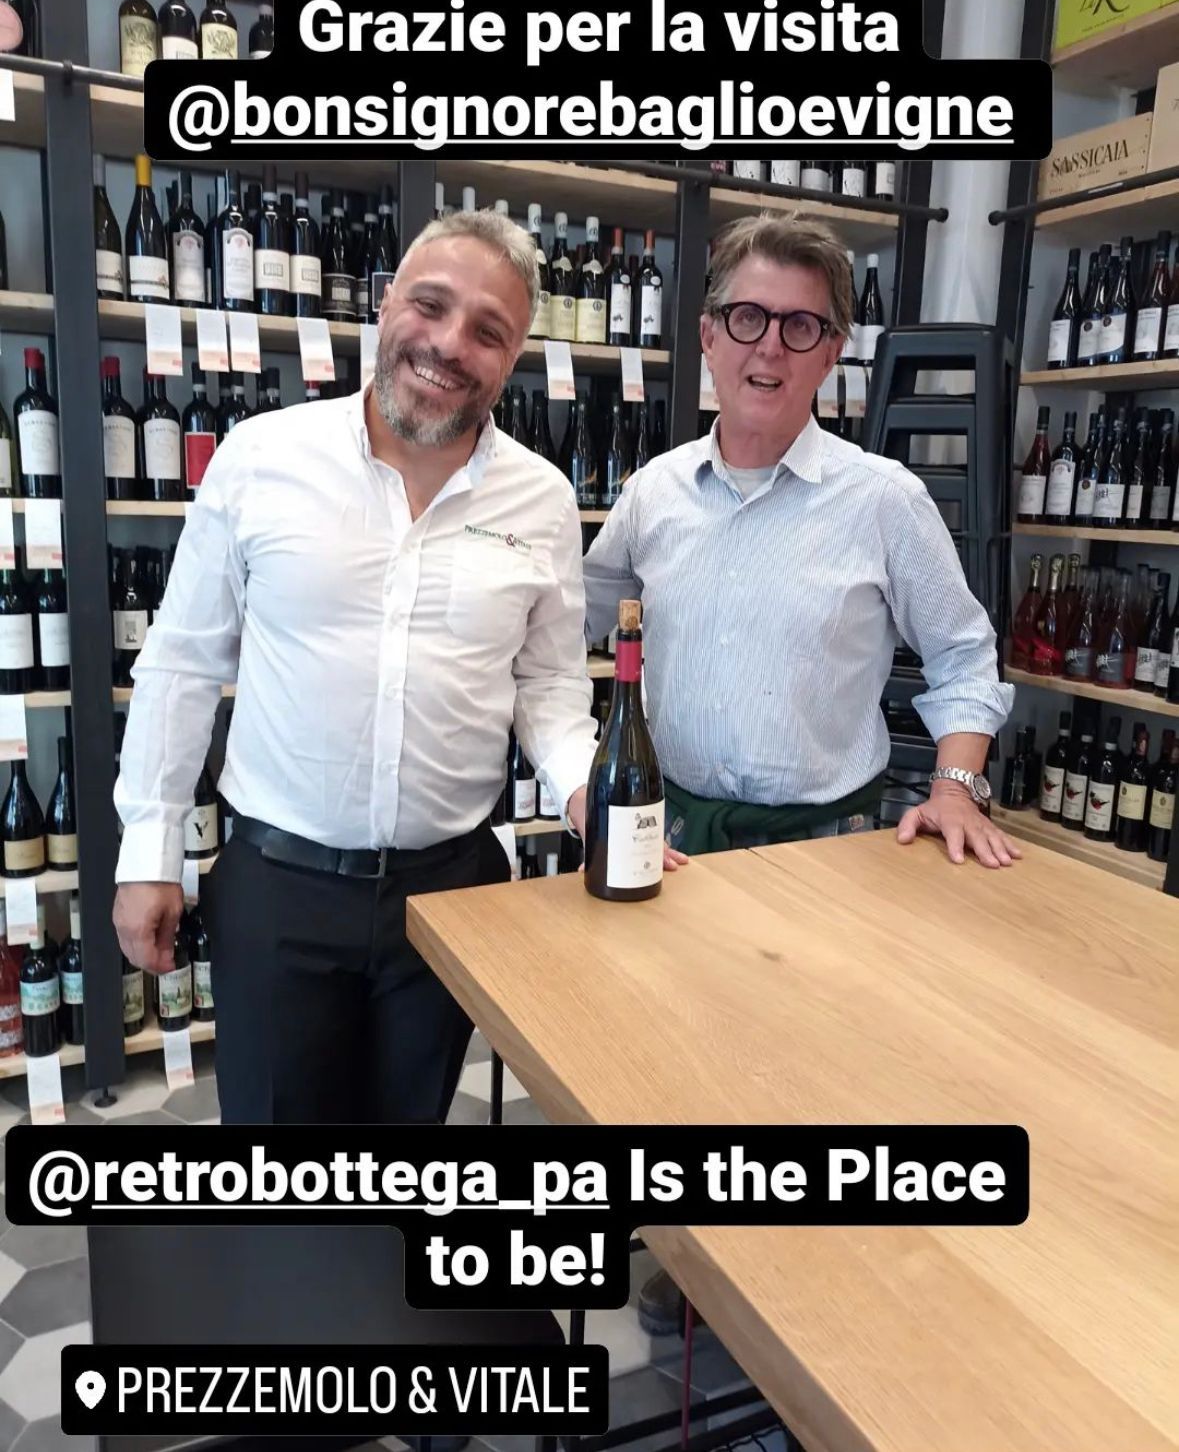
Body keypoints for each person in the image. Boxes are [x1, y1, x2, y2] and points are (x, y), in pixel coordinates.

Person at [582, 211, 1020, 1331]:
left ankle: (795, 1292)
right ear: (706, 335)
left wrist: (956, 783)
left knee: (799, 1081)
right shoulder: (653, 492)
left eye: (801, 325)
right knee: (673, 1058)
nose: (768, 347)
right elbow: (585, 611)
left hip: (825, 851)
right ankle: (693, 1253)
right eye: (746, 318)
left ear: (834, 351)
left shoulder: (883, 500)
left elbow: (964, 653)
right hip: (675, 839)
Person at [113, 208, 603, 1127]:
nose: (449, 345)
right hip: (278, 886)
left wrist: (586, 791)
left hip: (452, 893)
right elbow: (180, 663)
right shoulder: (263, 457)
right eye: (431, 305)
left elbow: (546, 685)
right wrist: (149, 852)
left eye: (488, 331)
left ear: (513, 357)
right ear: (384, 305)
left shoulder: (541, 499)